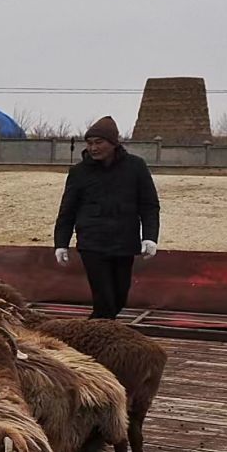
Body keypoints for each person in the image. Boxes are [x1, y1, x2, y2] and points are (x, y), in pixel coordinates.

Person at [53, 115, 160, 319]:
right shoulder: (79, 172)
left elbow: (149, 205)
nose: (93, 148)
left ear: (113, 143)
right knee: (105, 300)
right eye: (90, 143)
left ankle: (89, 334)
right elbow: (67, 211)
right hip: (92, 243)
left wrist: (150, 237)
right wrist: (61, 243)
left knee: (119, 298)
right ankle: (94, 342)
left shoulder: (135, 167)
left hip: (124, 243)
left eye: (99, 143)